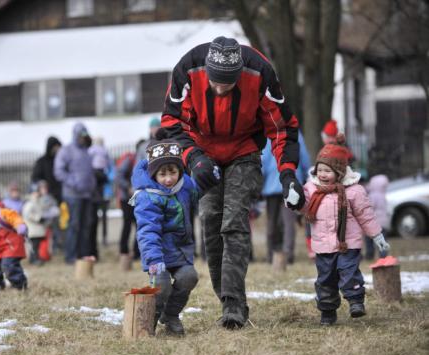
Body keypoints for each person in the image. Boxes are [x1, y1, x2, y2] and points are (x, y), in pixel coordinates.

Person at [161, 36, 304, 328]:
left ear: (239, 75)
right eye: (216, 83)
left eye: (227, 83)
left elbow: (282, 128)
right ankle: (223, 296)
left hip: (244, 151)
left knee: (234, 220)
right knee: (211, 221)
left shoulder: (261, 74)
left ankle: (234, 305)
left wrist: (288, 174)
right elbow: (172, 123)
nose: (220, 89)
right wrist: (193, 157)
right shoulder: (187, 70)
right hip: (203, 154)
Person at [302, 135, 390, 325]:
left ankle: (356, 302)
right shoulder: (311, 189)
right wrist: (294, 199)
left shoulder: (353, 191)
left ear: (340, 172)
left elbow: (365, 215)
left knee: (348, 271)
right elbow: (303, 206)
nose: (323, 174)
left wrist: (376, 234)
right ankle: (327, 312)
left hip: (348, 244)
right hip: (323, 246)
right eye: (320, 170)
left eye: (328, 170)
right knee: (325, 280)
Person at [130, 139, 199, 335]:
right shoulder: (148, 196)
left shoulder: (185, 186)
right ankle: (150, 319)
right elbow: (147, 231)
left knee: (189, 277)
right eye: (162, 174)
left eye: (173, 172)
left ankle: (170, 314)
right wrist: (154, 261)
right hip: (157, 253)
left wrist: (210, 177)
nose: (168, 179)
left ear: (180, 171)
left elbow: (199, 192)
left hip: (179, 250)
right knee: (162, 286)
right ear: (154, 174)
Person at [261, 132, 312, 264]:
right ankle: (288, 254)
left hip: (271, 184)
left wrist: (262, 180)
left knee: (272, 221)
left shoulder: (268, 136)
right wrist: (307, 175)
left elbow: (263, 161)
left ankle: (271, 254)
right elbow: (304, 158)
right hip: (291, 182)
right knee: (289, 221)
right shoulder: (296, 134)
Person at [54, 122, 96, 264]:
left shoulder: (87, 151)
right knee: (74, 225)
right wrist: (73, 182)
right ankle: (70, 256)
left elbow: (89, 172)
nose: (83, 138)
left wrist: (91, 185)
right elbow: (58, 171)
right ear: (75, 135)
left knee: (86, 226)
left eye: (85, 135)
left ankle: (82, 255)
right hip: (72, 195)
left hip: (86, 194)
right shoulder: (66, 151)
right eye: (81, 135)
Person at [115, 145, 139, 267]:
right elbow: (118, 176)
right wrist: (128, 187)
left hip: (135, 197)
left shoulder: (138, 160)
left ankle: (135, 252)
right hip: (126, 198)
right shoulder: (130, 160)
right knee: (127, 224)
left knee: (138, 225)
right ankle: (123, 251)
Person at [88, 137, 110, 259]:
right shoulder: (104, 152)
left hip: (96, 194)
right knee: (99, 220)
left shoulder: (90, 151)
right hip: (99, 193)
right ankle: (103, 240)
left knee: (94, 221)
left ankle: (96, 247)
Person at [364, 174, 389, 260]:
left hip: (374, 222)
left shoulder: (373, 195)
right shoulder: (383, 195)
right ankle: (383, 254)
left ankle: (369, 254)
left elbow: (370, 207)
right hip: (384, 223)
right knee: (382, 239)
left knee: (369, 240)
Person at [32, 136, 63, 204]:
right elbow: (35, 177)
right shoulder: (42, 161)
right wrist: (42, 186)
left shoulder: (62, 161)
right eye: (55, 147)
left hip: (61, 193)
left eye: (58, 147)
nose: (57, 149)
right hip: (48, 195)